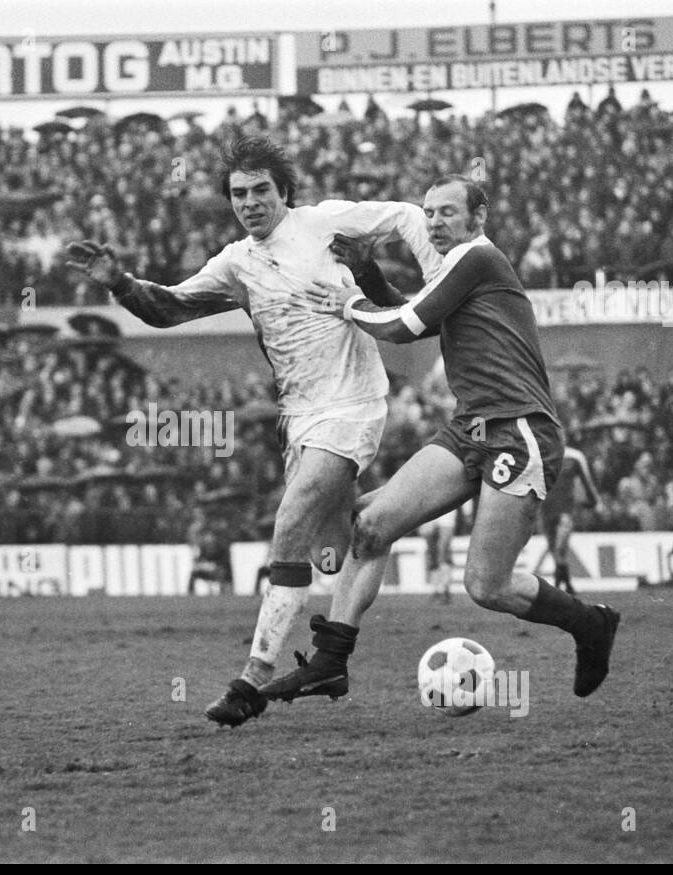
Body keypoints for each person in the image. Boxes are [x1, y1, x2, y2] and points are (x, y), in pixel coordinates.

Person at [65, 136, 438, 726]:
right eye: (238, 194)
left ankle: (252, 680)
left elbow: (410, 215)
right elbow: (170, 309)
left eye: (261, 189)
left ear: (284, 191)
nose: (250, 202)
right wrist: (120, 283)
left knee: (288, 524)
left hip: (353, 404)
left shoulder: (325, 223)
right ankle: (334, 659)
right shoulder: (236, 262)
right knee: (356, 539)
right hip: (299, 415)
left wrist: (435, 278)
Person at [261, 174, 620, 706]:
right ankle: (329, 661)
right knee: (370, 524)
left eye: (447, 212)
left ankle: (590, 624)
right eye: (427, 213)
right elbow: (422, 317)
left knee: (486, 585)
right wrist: (365, 269)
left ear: (479, 217)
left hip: (518, 431)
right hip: (470, 427)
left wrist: (349, 301)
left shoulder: (478, 258)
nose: (433, 222)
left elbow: (406, 325)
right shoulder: (457, 267)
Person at [540, 445, 602, 594]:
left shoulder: (574, 456)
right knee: (555, 549)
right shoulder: (538, 453)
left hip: (565, 510)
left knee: (560, 546)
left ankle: (558, 583)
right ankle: (567, 585)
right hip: (544, 509)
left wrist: (595, 501)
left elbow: (587, 480)